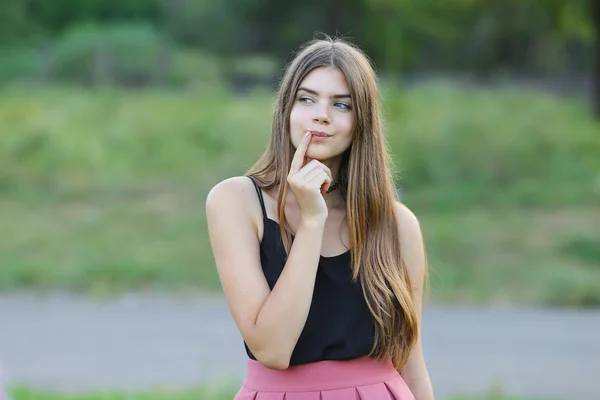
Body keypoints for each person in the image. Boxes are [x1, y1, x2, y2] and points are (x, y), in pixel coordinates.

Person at [206, 35, 434, 400]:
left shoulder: (397, 224)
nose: (321, 114)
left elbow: (411, 363)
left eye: (342, 105)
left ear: (363, 121)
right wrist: (312, 220)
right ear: (286, 109)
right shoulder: (236, 201)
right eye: (307, 98)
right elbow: (273, 349)